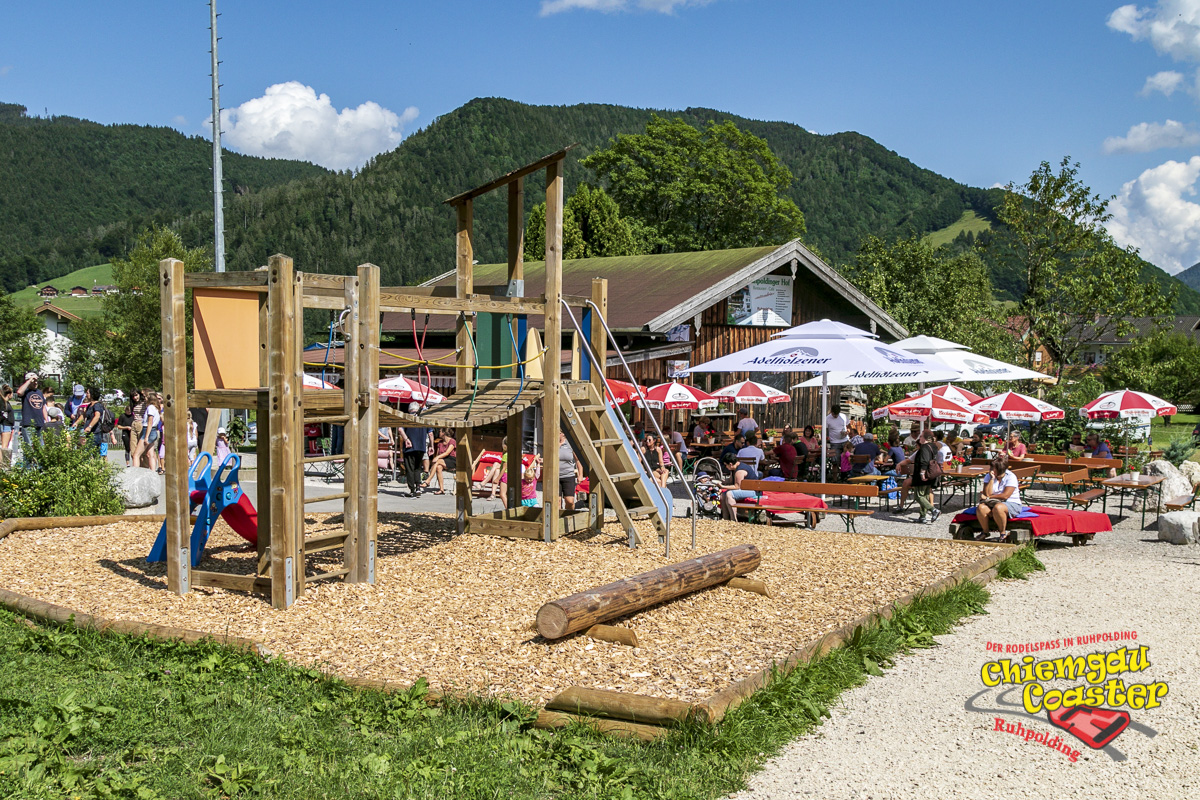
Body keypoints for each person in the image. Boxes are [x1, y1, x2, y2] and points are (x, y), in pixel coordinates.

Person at [975, 454, 1023, 538]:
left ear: (999, 469)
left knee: (998, 507)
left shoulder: (1011, 477)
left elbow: (1005, 496)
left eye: (992, 468)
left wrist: (988, 498)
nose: (990, 470)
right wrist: (992, 479)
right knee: (981, 508)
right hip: (993, 502)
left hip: (1011, 503)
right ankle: (985, 532)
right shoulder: (989, 476)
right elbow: (987, 493)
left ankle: (1002, 533)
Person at [720, 450, 761, 521]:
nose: (725, 467)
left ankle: (733, 519)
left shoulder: (740, 471)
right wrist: (720, 481)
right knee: (723, 495)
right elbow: (730, 481)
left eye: (726, 465)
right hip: (746, 490)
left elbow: (737, 486)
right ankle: (725, 518)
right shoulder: (734, 468)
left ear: (730, 464)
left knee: (729, 494)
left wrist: (722, 486)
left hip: (754, 491)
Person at [911, 430, 940, 525]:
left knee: (918, 496)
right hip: (931, 474)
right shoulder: (933, 446)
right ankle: (922, 516)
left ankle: (933, 510)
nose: (919, 439)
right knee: (925, 496)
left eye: (921, 437)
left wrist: (922, 473)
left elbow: (924, 461)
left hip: (923, 475)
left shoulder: (924, 448)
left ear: (925, 438)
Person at [400, 411, 431, 498]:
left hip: (409, 448)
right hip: (421, 447)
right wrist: (431, 445)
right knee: (417, 468)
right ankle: (418, 487)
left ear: (409, 410)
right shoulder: (423, 419)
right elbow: (431, 433)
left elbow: (400, 429)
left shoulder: (406, 418)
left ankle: (412, 490)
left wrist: (406, 439)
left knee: (410, 469)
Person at [16, 373, 46, 447]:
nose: (35, 383)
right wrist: (29, 380)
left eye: (36, 381)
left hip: (39, 423)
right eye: (33, 381)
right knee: (28, 447)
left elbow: (43, 407)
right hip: (29, 423)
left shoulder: (39, 392)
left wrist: (46, 420)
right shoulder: (26, 391)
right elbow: (19, 392)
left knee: (40, 447)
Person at [423, 429, 457, 495]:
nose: (439, 433)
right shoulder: (440, 443)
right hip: (442, 459)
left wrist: (437, 458)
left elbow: (447, 453)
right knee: (438, 467)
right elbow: (438, 454)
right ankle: (441, 489)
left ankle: (428, 480)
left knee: (438, 462)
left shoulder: (452, 441)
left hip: (452, 460)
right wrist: (436, 458)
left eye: (440, 431)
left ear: (444, 433)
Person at [80, 387, 109, 456]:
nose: (86, 394)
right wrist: (75, 424)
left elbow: (97, 416)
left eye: (87, 393)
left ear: (92, 394)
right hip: (89, 433)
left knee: (92, 453)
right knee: (88, 452)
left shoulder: (97, 405)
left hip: (95, 433)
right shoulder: (89, 405)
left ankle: (94, 466)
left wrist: (89, 426)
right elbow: (83, 416)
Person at [557, 430, 578, 510]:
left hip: (568, 475)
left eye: (557, 433)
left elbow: (578, 460)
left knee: (569, 501)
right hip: (555, 476)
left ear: (562, 434)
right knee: (557, 502)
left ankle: (569, 517)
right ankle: (558, 520)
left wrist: (580, 475)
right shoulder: (552, 444)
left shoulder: (570, 445)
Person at [144, 393, 163, 473]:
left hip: (152, 430)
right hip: (154, 430)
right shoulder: (156, 408)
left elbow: (150, 422)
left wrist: (146, 437)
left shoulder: (151, 408)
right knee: (151, 453)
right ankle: (154, 470)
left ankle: (136, 472)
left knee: (136, 455)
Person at [0, 384, 14, 452]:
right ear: (9, 394)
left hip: (6, 425)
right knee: (4, 447)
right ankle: (3, 462)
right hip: (6, 425)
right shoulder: (4, 403)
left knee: (4, 447)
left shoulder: (6, 403)